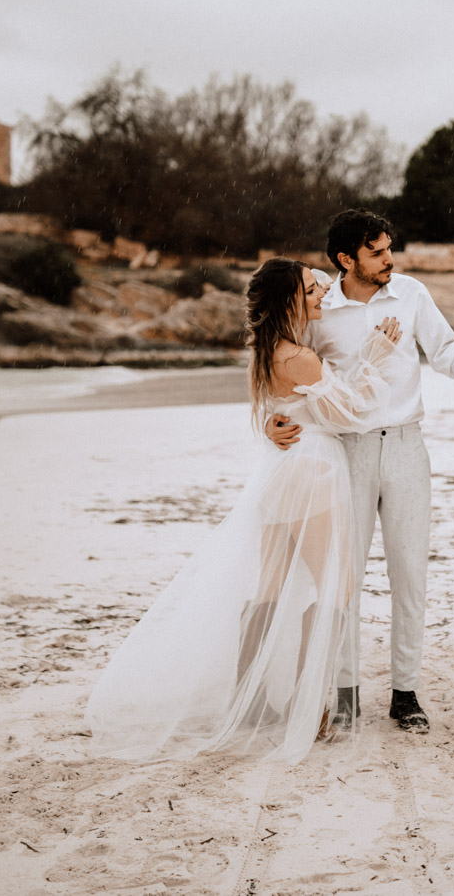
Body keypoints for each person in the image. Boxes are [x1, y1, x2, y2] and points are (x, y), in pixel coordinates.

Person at [85, 257, 402, 764]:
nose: (321, 292)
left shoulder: (266, 351)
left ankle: (249, 697)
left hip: (279, 471)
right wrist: (376, 354)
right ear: (289, 300)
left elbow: (277, 412)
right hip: (311, 471)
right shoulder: (298, 356)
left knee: (271, 583)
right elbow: (349, 414)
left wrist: (273, 425)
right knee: (336, 588)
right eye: (311, 288)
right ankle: (308, 707)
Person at [265, 209, 454, 733]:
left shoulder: (413, 294)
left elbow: (444, 352)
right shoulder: (320, 308)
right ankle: (347, 692)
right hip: (344, 452)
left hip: (405, 446)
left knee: (408, 574)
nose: (389, 259)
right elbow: (287, 371)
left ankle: (405, 692)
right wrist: (274, 421)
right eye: (376, 252)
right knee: (342, 578)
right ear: (345, 260)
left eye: (388, 248)